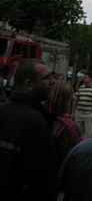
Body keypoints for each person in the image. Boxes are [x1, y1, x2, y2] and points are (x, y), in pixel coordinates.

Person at [0, 60, 57, 201]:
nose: (52, 82)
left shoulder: (4, 111)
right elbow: (42, 177)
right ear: (28, 83)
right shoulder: (36, 121)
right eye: (46, 78)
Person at [48, 80, 82, 171]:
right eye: (72, 95)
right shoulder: (69, 126)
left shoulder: (45, 117)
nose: (75, 98)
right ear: (68, 100)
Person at [74, 72, 92, 138]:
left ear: (90, 79)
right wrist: (74, 111)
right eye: (84, 78)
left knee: (88, 134)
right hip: (78, 112)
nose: (84, 79)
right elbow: (76, 99)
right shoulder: (81, 87)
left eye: (86, 77)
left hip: (88, 114)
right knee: (77, 133)